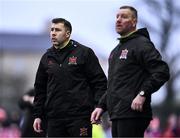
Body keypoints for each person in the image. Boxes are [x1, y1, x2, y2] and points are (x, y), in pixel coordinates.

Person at [91, 5, 170, 137]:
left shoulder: (142, 44)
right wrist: (101, 106)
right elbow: (114, 86)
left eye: (124, 16)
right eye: (117, 16)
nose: (118, 19)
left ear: (134, 22)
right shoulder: (115, 51)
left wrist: (142, 94)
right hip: (117, 114)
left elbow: (162, 71)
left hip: (133, 114)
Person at [33, 18, 107, 137]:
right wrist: (38, 115)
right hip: (54, 118)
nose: (53, 33)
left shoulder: (84, 53)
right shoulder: (46, 57)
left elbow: (100, 82)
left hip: (80, 117)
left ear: (67, 34)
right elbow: (40, 88)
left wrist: (99, 106)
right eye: (52, 30)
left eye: (57, 30)